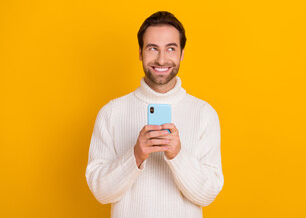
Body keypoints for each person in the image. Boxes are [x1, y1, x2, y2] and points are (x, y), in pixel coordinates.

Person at [85, 11, 224, 218]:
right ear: (140, 52)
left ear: (182, 53)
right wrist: (135, 156)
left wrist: (177, 155)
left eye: (170, 48)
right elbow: (101, 193)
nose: (161, 59)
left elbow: (207, 195)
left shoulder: (204, 114)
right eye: (152, 48)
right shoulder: (111, 112)